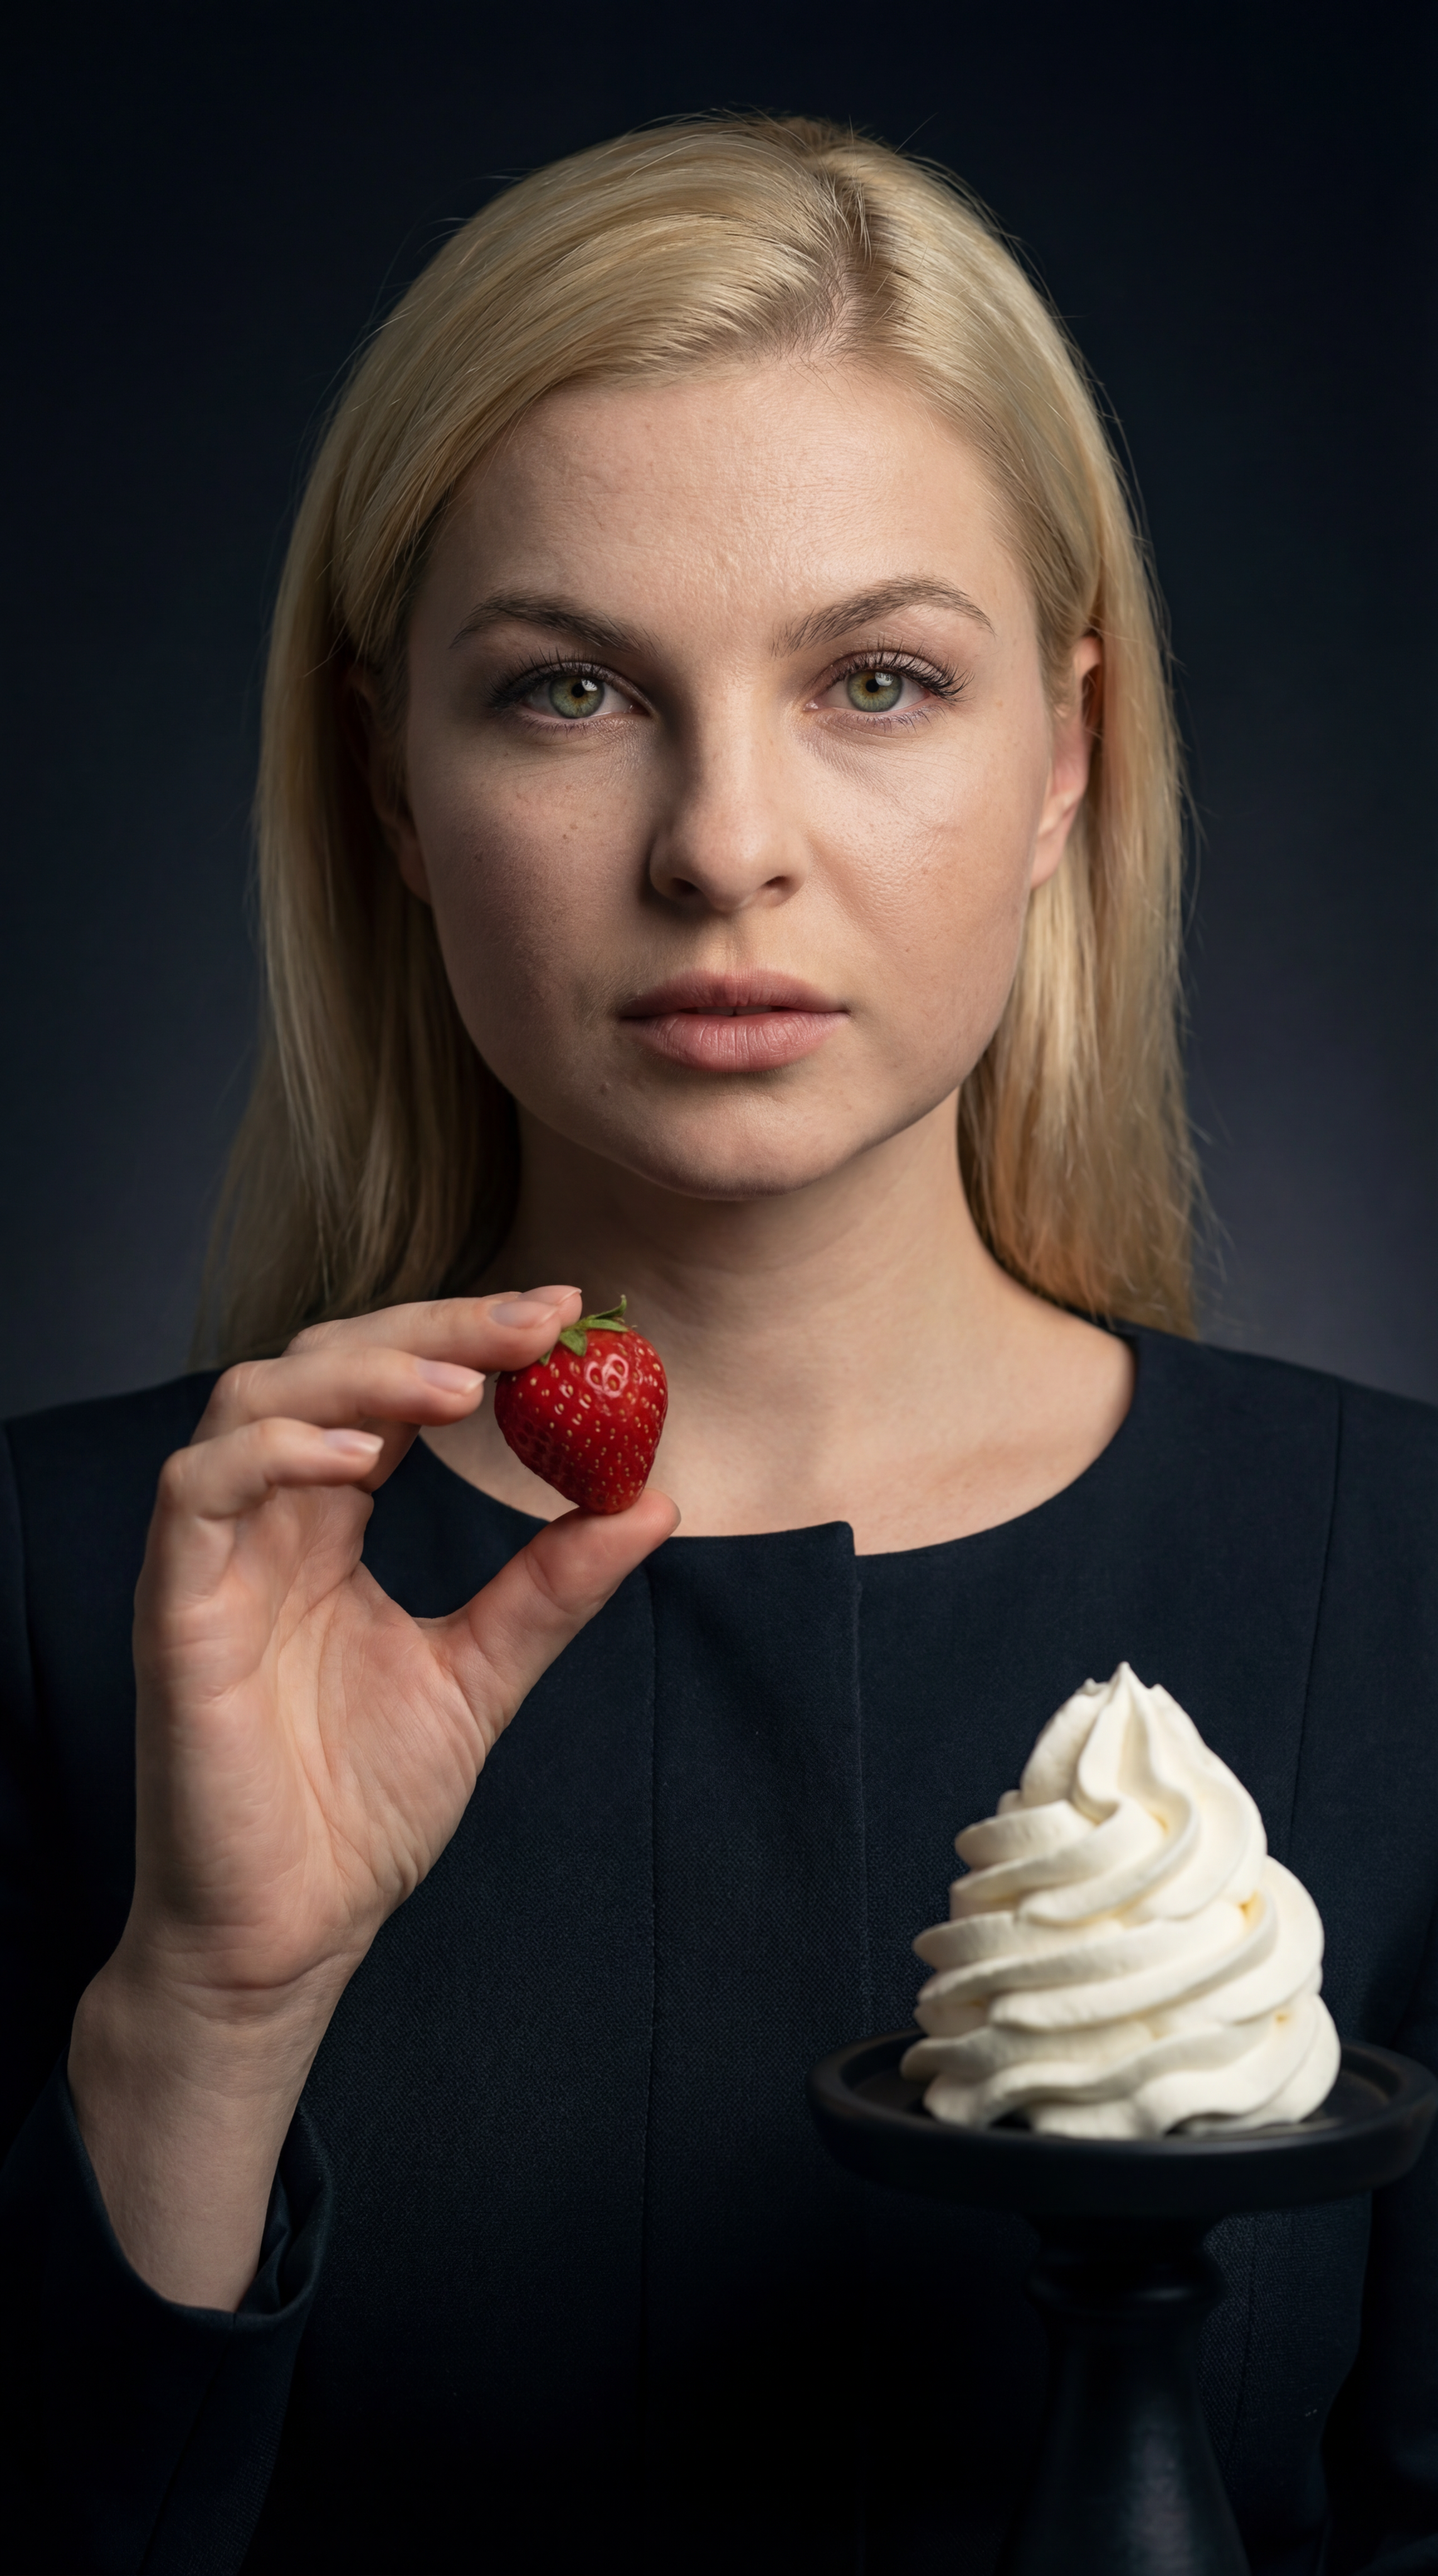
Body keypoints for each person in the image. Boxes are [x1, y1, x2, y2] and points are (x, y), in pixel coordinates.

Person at [1, 114, 1434, 2576]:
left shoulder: (1404, 1580)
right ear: (388, 774)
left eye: (876, 678)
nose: (722, 844)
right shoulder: (61, 1591)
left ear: (1064, 753)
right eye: (567, 690)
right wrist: (203, 2018)